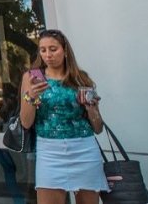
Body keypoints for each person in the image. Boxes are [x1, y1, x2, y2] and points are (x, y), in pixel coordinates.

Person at [20, 29, 107, 203]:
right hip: (49, 151)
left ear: (65, 50)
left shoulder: (81, 79)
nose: (47, 55)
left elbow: (98, 128)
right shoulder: (32, 78)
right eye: (43, 50)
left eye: (53, 49)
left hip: (84, 149)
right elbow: (26, 123)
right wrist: (31, 97)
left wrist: (92, 109)